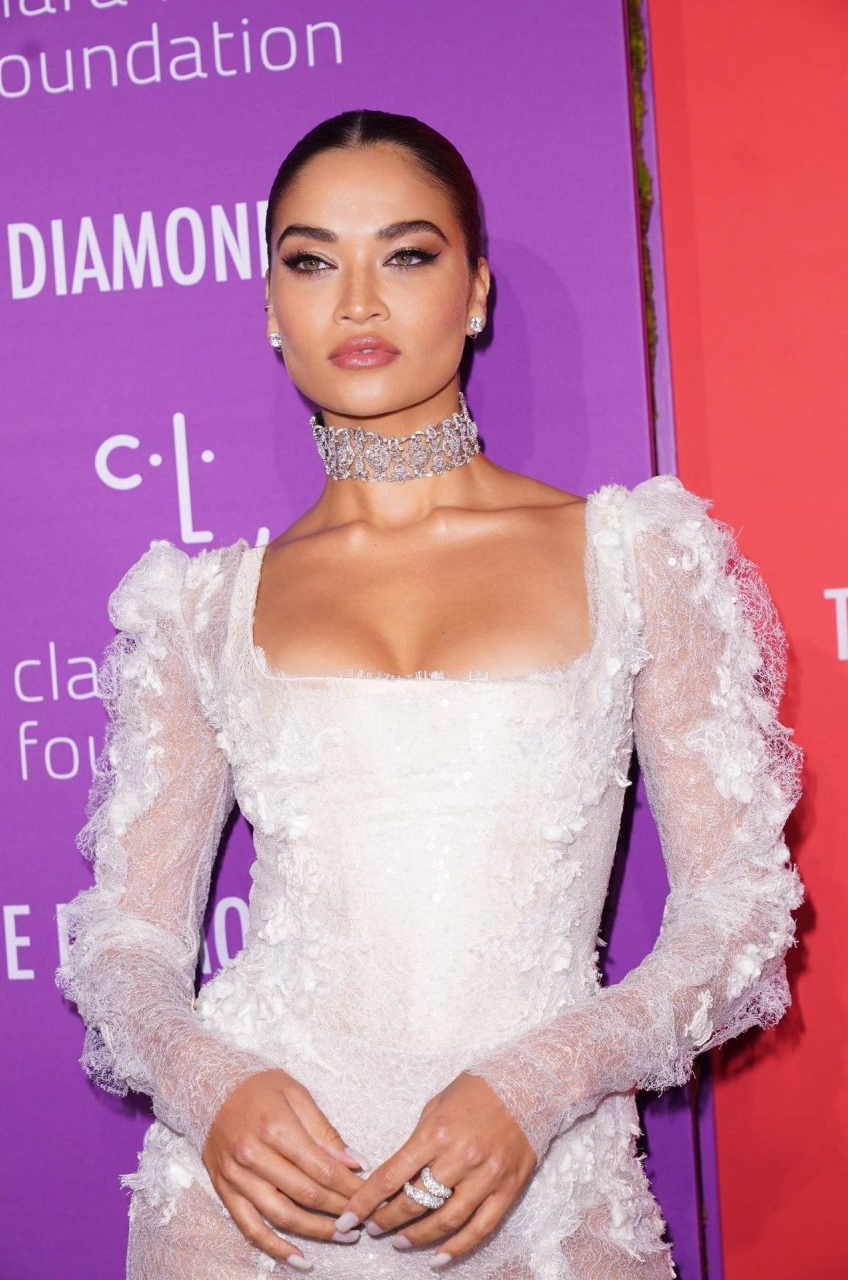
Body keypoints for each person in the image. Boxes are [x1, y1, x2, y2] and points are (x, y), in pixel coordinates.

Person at [56, 109, 805, 1279]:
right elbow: (124, 939)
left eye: (405, 254)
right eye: (312, 262)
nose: (358, 301)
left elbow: (739, 912)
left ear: (476, 291)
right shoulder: (198, 609)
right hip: (249, 1207)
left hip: (543, 1197)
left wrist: (539, 1080)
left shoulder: (637, 559)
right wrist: (210, 1084)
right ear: (270, 306)